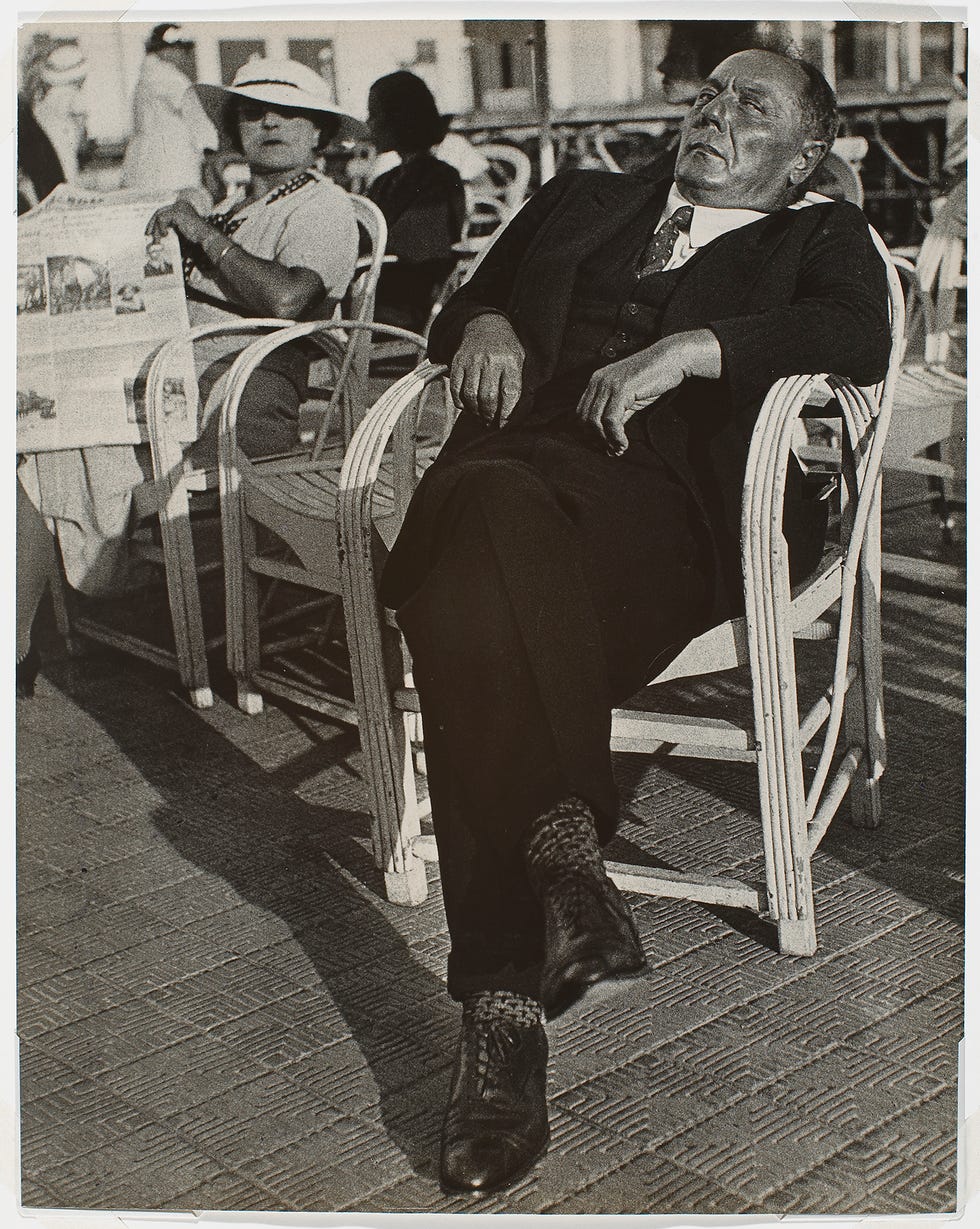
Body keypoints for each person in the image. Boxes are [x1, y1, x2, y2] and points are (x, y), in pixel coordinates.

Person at [378, 48, 892, 1194]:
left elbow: (859, 337)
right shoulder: (582, 196)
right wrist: (485, 325)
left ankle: (506, 1008)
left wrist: (693, 347)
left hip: (663, 519)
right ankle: (559, 863)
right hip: (514, 479)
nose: (711, 114)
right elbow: (465, 297)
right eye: (706, 95)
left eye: (747, 107)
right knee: (485, 526)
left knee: (468, 588)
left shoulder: (815, 238)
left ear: (804, 155)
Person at [16, 58, 363, 696]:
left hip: (236, 398)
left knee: (41, 446)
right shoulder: (229, 204)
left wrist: (199, 233)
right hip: (173, 383)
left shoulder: (325, 207)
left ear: (320, 134)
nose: (271, 122)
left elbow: (289, 300)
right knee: (33, 428)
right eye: (253, 112)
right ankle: (18, 639)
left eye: (292, 113)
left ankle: (30, 630)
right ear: (234, 130)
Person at [365, 70, 468, 332]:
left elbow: (419, 250)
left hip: (401, 303)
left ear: (399, 119)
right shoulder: (386, 180)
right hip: (374, 292)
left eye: (375, 114)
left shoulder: (439, 178)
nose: (369, 123)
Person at [121, 23, 218, 194]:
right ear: (164, 49)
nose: (182, 55)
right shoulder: (167, 76)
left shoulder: (147, 75)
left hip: (147, 156)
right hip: (170, 160)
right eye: (179, 48)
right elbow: (195, 110)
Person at [18, 37, 88, 209]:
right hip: (63, 161)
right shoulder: (73, 98)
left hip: (43, 166)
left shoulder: (42, 101)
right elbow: (82, 141)